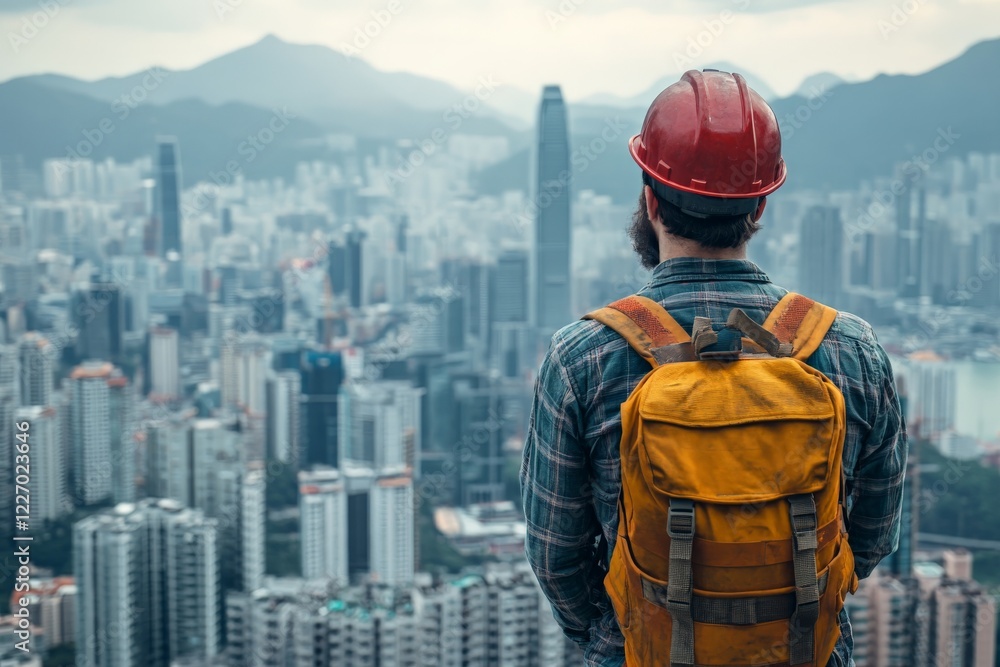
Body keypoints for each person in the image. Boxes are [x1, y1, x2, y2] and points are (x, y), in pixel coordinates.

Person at [520, 69, 907, 667]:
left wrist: (621, 632)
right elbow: (874, 536)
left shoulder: (582, 358)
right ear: (761, 205)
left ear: (650, 197)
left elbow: (556, 555)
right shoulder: (852, 350)